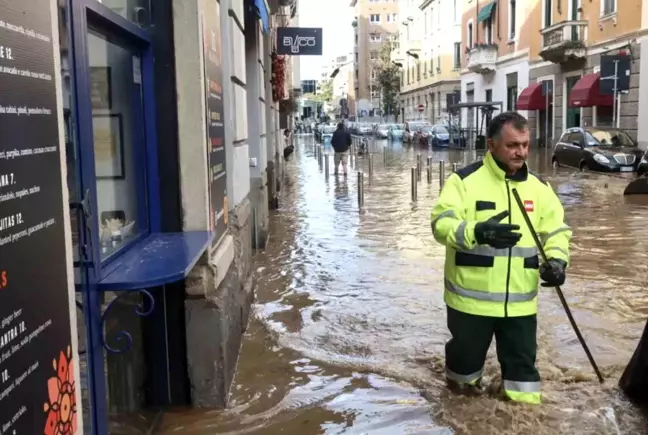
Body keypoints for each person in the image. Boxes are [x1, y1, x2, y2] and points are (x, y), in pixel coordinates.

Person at [430, 111, 572, 405]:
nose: (520, 152)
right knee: (462, 387)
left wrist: (558, 262)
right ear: (491, 145)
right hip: (470, 305)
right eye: (512, 145)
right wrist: (478, 232)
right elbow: (440, 225)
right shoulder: (463, 182)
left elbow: (557, 231)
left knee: (524, 389)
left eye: (525, 144)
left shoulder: (540, 188)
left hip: (520, 307)